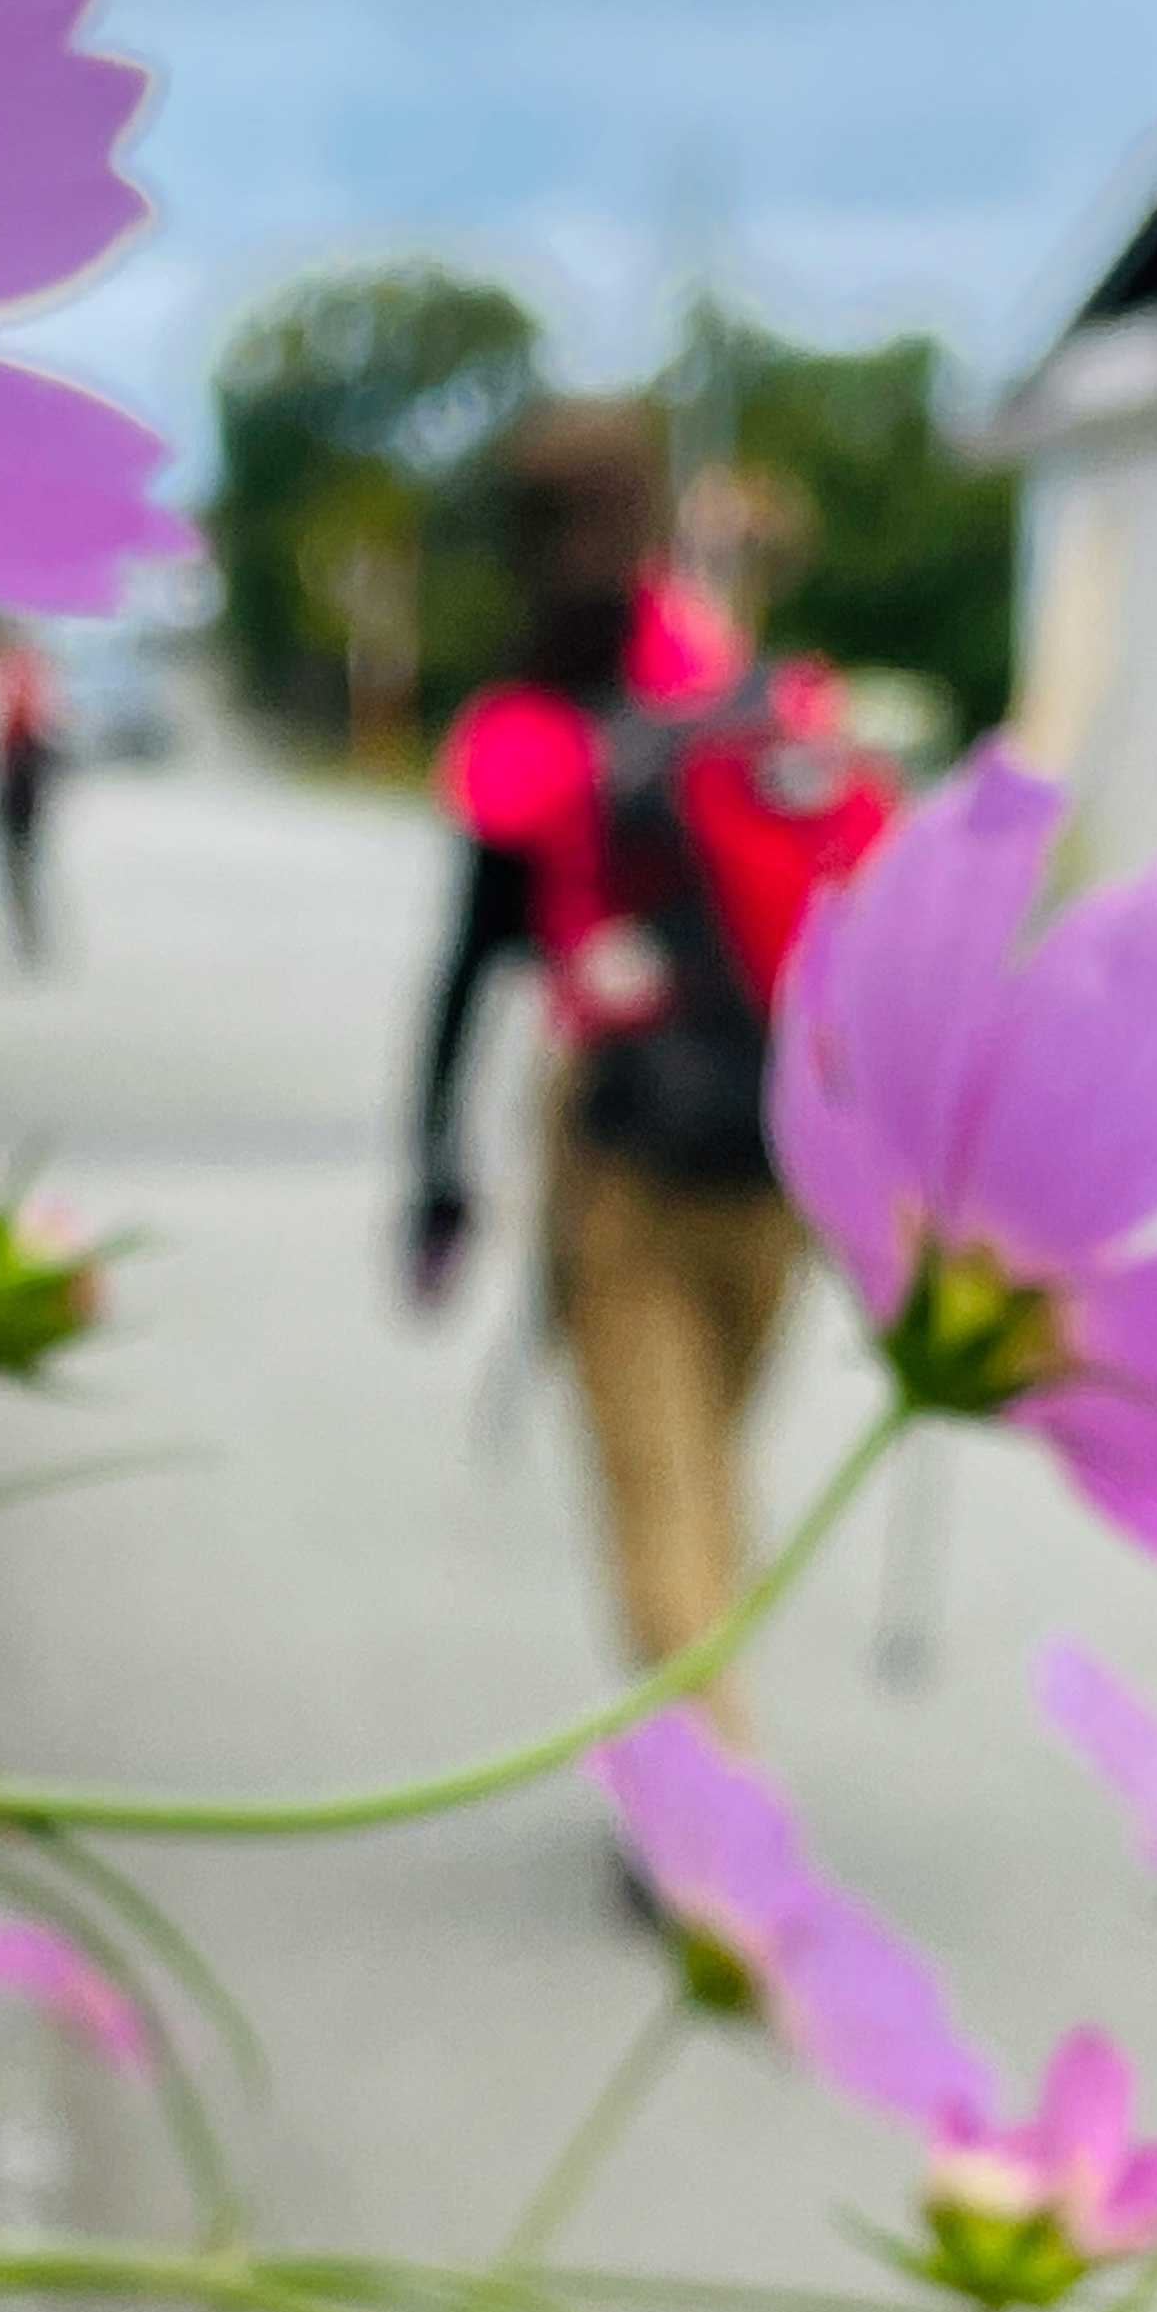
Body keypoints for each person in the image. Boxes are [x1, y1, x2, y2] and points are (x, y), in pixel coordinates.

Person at [402, 399, 898, 1744]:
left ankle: (710, 1813)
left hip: (617, 1144)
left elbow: (471, 963)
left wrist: (435, 1168)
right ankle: (701, 1736)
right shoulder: (748, 690)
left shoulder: (526, 729)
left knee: (650, 1480)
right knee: (712, 1456)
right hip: (781, 1136)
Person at [0, 626, 61, 964]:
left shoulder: (16, 672)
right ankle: (28, 934)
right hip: (20, 769)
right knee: (21, 860)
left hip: (19, 768)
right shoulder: (22, 669)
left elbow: (15, 721)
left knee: (18, 859)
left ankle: (28, 935)